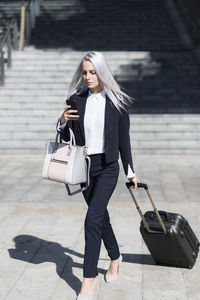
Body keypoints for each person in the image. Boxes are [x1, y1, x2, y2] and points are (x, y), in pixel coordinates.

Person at [57, 51, 139, 300]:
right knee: (100, 217)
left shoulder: (117, 101)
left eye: (92, 72)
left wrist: (130, 171)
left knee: (92, 220)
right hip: (84, 168)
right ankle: (115, 257)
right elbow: (65, 138)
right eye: (84, 72)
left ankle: (87, 282)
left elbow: (124, 139)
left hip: (108, 167)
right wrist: (61, 121)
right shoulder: (76, 99)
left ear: (102, 72)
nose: (88, 76)